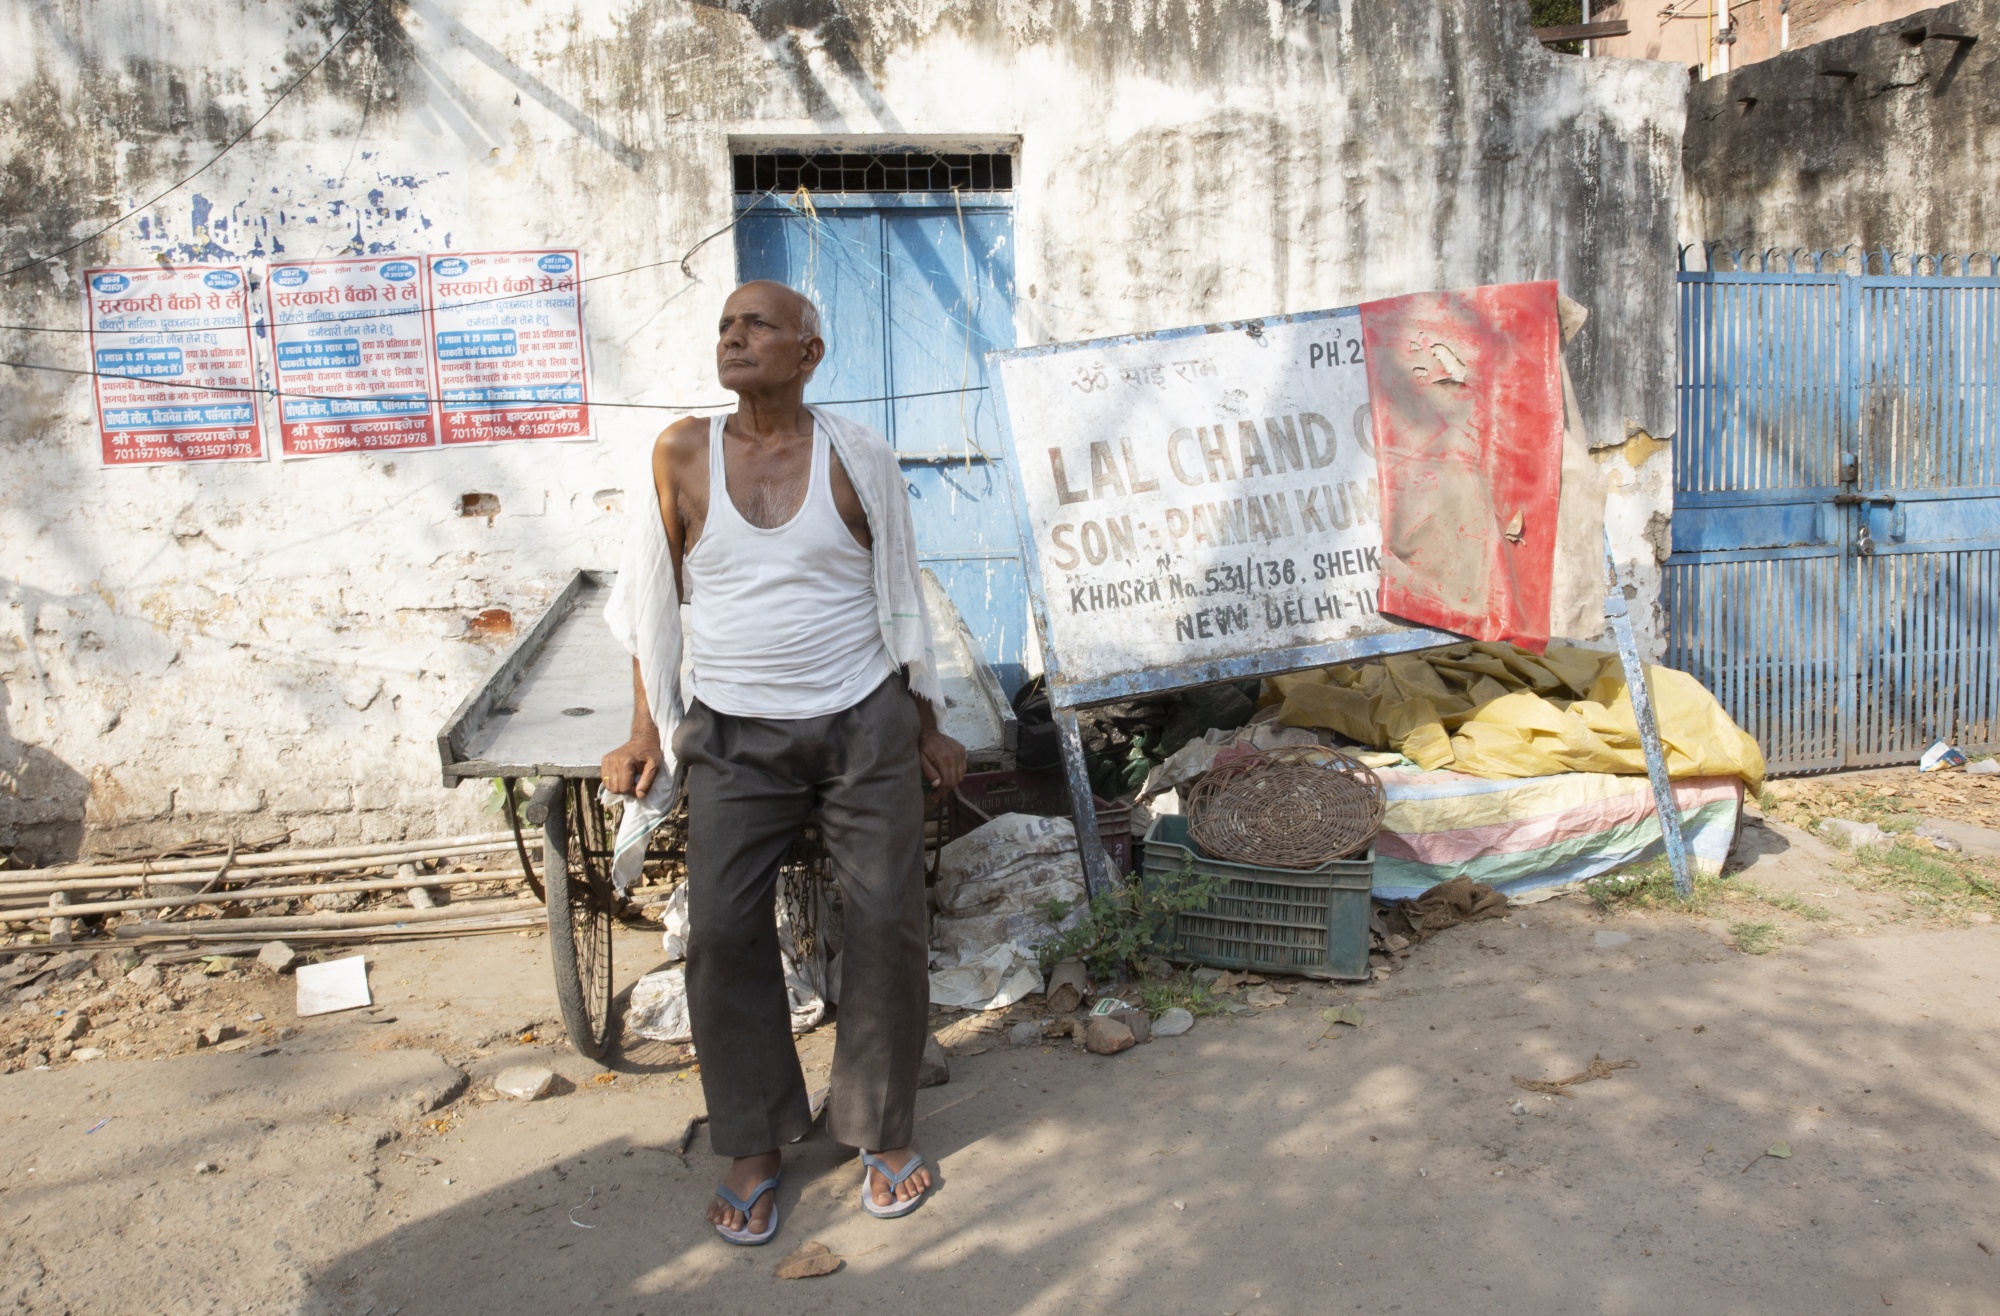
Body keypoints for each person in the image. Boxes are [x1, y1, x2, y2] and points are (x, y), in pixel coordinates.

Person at [601, 280, 967, 1246]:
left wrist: (928, 719)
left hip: (860, 719)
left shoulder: (860, 456)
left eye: (758, 324)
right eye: (726, 325)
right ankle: (755, 1140)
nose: (735, 338)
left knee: (887, 913)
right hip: (733, 731)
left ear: (809, 352)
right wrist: (646, 730)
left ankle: (879, 1130)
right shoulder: (682, 453)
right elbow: (649, 604)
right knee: (720, 929)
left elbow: (899, 600)